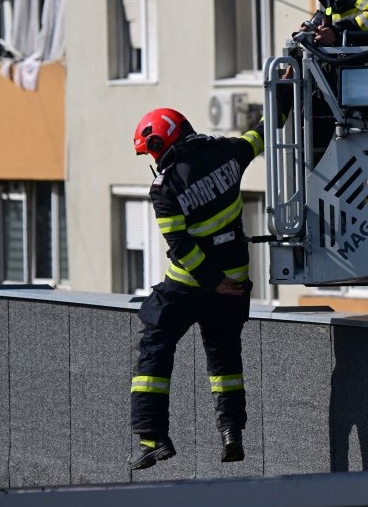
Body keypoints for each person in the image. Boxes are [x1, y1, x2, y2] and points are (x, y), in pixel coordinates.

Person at [127, 96, 288, 470]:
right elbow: (261, 135)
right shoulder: (227, 152)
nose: (152, 161)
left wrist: (211, 281)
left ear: (160, 145)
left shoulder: (164, 188)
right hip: (236, 279)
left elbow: (180, 246)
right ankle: (232, 432)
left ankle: (152, 437)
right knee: (225, 357)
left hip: (192, 284)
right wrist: (286, 92)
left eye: (152, 153)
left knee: (155, 344)